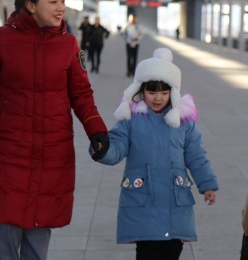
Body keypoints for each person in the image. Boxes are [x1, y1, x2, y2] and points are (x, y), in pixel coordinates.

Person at [0, 0, 110, 260]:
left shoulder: (68, 45)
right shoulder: (0, 39)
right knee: (5, 231)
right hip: (9, 151)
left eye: (62, 1)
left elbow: (81, 94)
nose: (60, 8)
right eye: (52, 1)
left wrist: (96, 130)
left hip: (52, 153)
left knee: (39, 235)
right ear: (30, 4)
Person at [91, 48, 218, 260]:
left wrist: (208, 184)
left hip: (174, 203)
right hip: (143, 202)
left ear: (173, 93)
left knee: (172, 250)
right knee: (146, 251)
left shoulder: (184, 122)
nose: (158, 98)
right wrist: (103, 150)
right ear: (141, 91)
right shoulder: (131, 119)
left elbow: (196, 155)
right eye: (152, 92)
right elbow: (118, 146)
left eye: (164, 93)